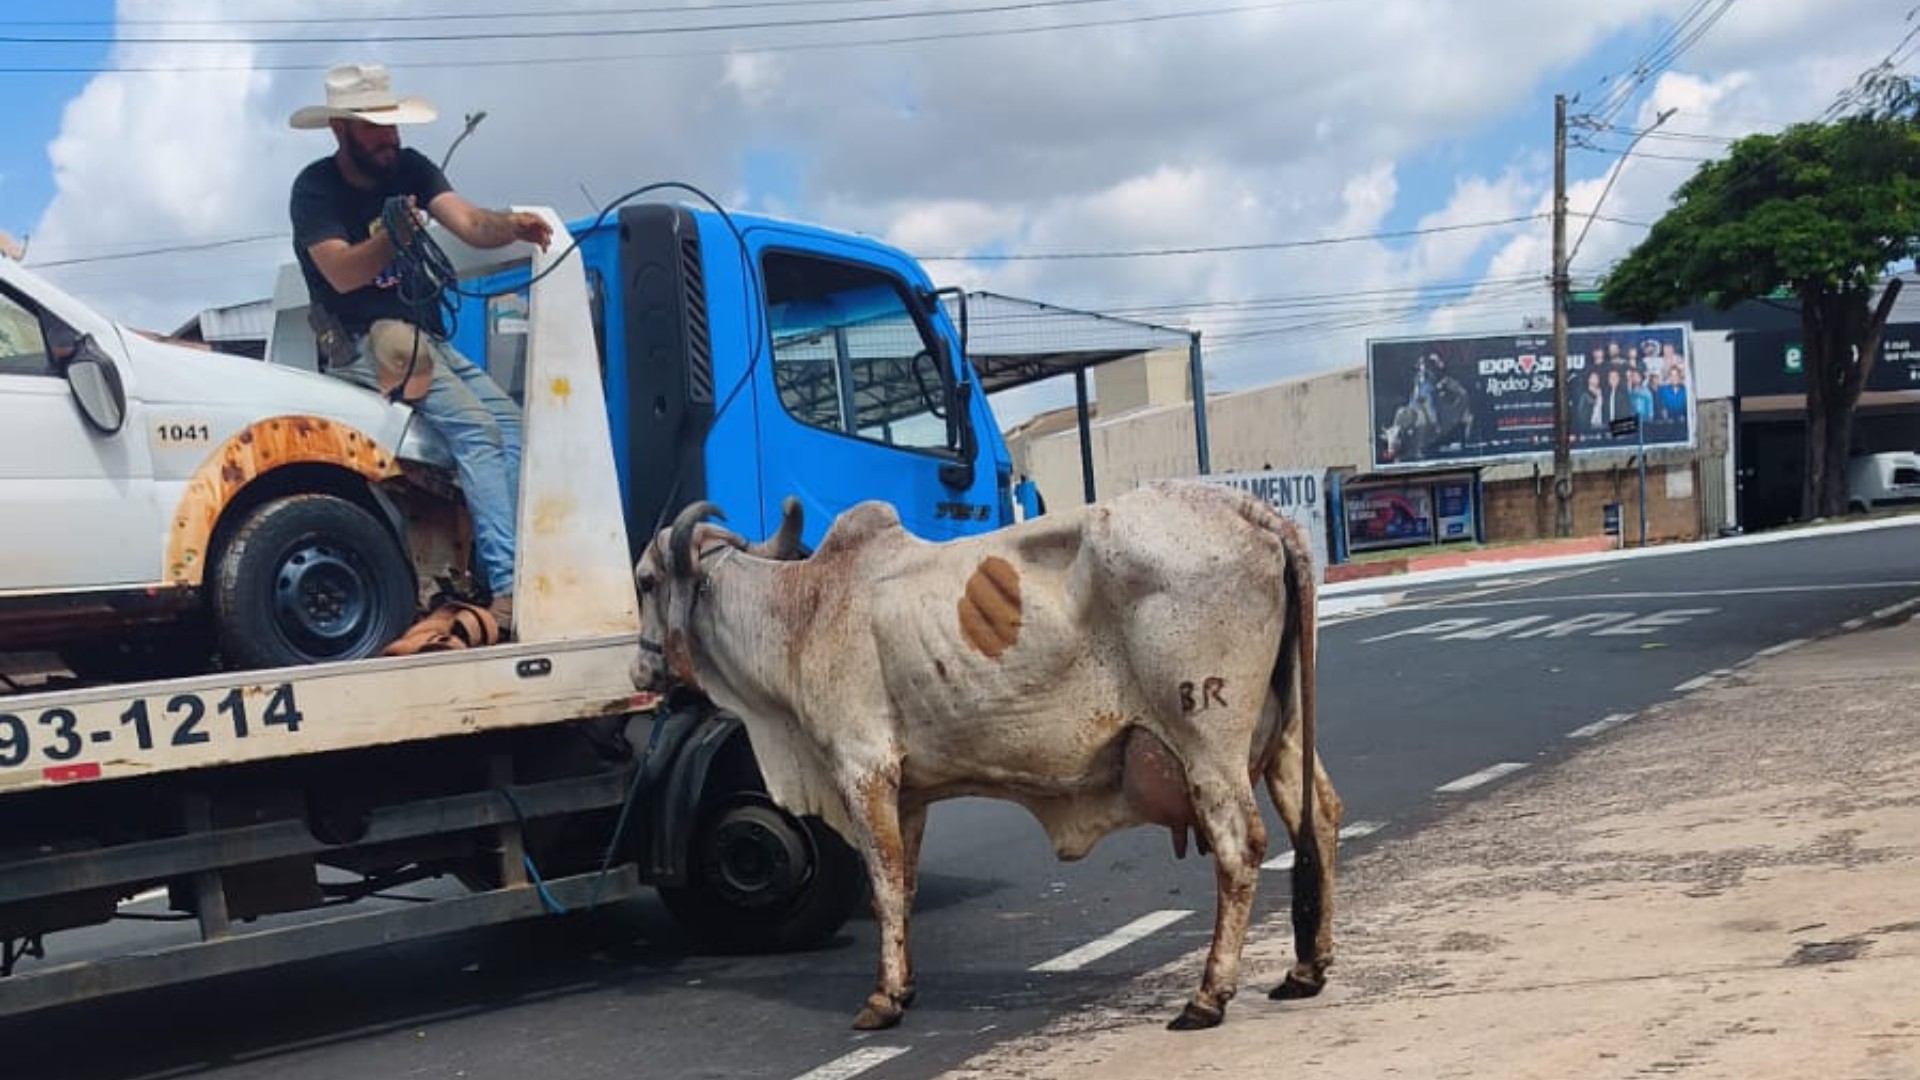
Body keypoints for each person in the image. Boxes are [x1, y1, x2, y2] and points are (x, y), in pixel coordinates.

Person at [288, 63, 551, 636]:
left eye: (390, 125)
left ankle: (503, 570)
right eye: (374, 127)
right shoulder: (315, 189)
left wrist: (512, 226)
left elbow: (469, 222)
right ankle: (510, 587)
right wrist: (392, 239)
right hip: (363, 337)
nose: (388, 137)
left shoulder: (409, 168)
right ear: (341, 130)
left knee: (511, 427)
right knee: (478, 430)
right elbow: (341, 274)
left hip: (418, 335)